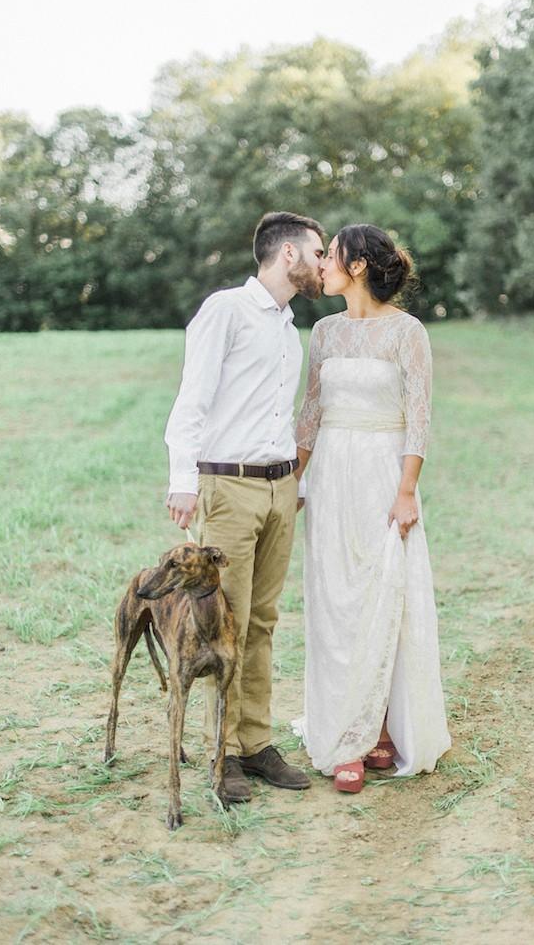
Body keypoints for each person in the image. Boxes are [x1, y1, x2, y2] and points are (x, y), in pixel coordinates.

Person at [165, 211, 325, 803]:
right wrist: (183, 477)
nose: (324, 261)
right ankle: (224, 753)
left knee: (262, 621)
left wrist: (295, 483)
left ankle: (256, 743)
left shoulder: (287, 325)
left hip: (281, 488)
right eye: (318, 250)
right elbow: (193, 396)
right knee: (223, 624)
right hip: (227, 487)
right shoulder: (225, 310)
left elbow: (277, 414)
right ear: (288, 255)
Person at [294, 224, 451, 793]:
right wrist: (293, 478)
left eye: (330, 256)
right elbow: (310, 411)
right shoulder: (324, 332)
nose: (321, 265)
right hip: (333, 472)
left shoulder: (407, 332)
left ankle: (381, 727)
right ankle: (346, 734)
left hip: (384, 471)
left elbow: (419, 415)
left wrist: (407, 490)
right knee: (336, 599)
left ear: (357, 265)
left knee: (383, 593)